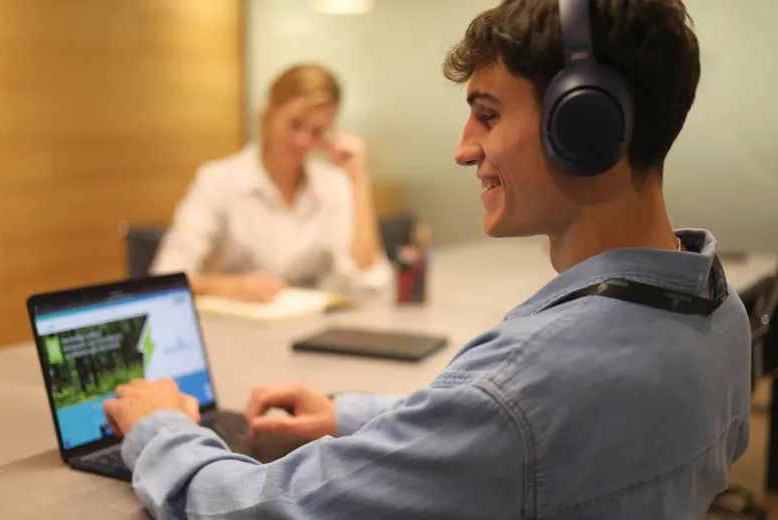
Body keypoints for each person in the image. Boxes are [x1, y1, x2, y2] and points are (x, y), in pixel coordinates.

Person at [104, 1, 752, 518]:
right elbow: (524, 436)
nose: (464, 150)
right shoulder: (716, 312)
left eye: (488, 115)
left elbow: (248, 508)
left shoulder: (522, 394)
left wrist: (161, 429)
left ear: (583, 125)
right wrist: (348, 418)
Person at [150, 64, 392, 302]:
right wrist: (228, 287)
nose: (302, 140)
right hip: (232, 331)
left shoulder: (331, 185)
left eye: (317, 131)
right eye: (294, 124)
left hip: (307, 330)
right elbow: (165, 277)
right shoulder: (218, 181)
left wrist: (358, 182)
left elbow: (369, 284)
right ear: (269, 114)